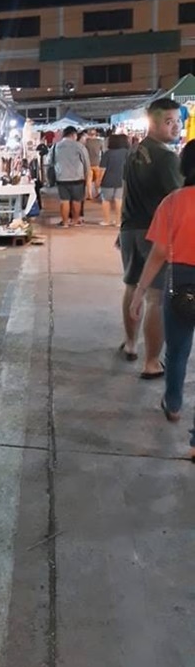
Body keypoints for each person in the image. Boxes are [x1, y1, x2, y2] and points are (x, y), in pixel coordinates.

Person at [130, 140, 195, 460]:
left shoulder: (173, 202)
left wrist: (139, 291)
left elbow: (157, 254)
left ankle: (173, 404)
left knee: (177, 350)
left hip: (180, 281)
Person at [119, 98, 182, 376]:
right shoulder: (167, 158)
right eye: (169, 122)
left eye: (178, 120)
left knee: (132, 286)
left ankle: (131, 344)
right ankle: (152, 362)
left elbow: (125, 191)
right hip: (155, 234)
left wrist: (121, 228)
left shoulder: (133, 151)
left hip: (129, 230)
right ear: (153, 123)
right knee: (156, 298)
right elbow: (178, 199)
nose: (176, 126)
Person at [49, 126, 92, 226]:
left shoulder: (55, 146)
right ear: (73, 135)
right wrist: (87, 177)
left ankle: (65, 223)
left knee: (64, 200)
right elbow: (86, 163)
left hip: (61, 178)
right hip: (77, 178)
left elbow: (50, 162)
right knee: (77, 201)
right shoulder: (79, 146)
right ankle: (75, 221)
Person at [98, 133, 130, 226]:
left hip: (107, 180)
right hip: (122, 180)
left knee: (106, 200)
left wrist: (98, 181)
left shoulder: (107, 153)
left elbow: (102, 169)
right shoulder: (127, 153)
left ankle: (106, 220)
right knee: (119, 200)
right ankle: (118, 221)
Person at [84, 128, 105, 198]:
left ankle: (89, 194)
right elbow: (103, 152)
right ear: (95, 134)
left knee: (89, 180)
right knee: (97, 179)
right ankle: (97, 192)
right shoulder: (100, 141)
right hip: (97, 163)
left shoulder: (86, 142)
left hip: (88, 163)